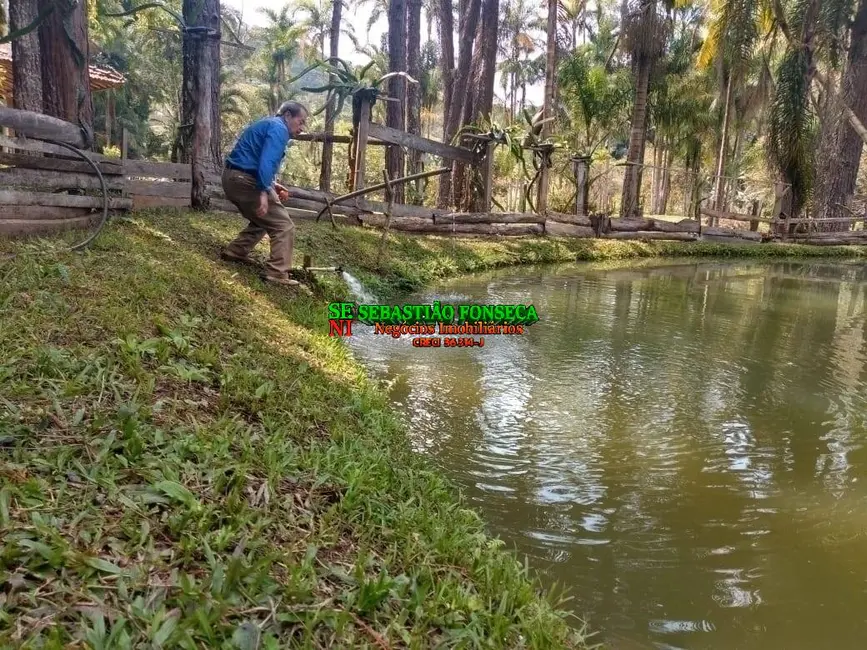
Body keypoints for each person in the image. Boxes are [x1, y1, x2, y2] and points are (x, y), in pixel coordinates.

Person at [221, 101, 308, 286]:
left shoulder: (270, 124)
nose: (302, 128)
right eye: (300, 122)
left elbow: (253, 159)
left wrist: (271, 185)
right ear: (287, 115)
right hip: (244, 180)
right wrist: (262, 191)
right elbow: (267, 161)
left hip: (233, 177)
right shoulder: (279, 129)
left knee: (265, 218)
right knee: (284, 226)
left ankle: (236, 251)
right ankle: (277, 272)